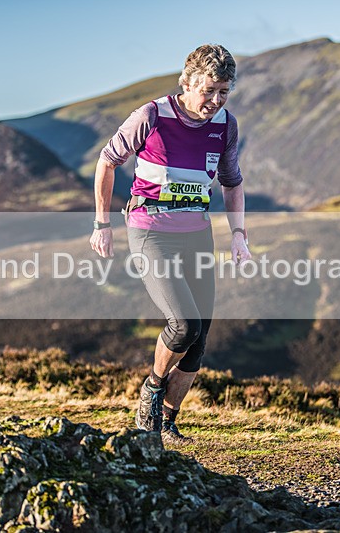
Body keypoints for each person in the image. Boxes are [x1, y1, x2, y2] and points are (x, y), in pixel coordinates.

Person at [90, 44, 251, 444]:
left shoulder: (226, 125)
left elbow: (232, 183)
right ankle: (152, 389)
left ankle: (167, 419)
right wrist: (102, 223)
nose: (215, 101)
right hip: (150, 229)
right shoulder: (151, 116)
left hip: (196, 232)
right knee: (183, 325)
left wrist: (238, 235)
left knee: (199, 341)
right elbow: (107, 162)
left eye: (224, 93)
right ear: (187, 82)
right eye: (208, 90)